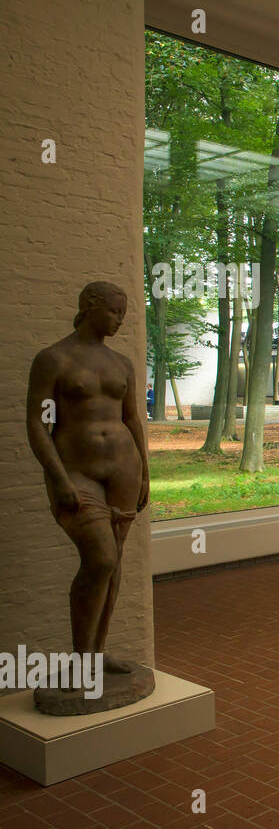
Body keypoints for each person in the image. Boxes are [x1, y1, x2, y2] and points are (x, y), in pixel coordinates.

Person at [26, 281, 149, 675]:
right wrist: (58, 478)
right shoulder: (53, 360)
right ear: (90, 306)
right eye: (113, 312)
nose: (118, 321)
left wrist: (144, 470)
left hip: (123, 468)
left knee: (114, 564)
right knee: (100, 558)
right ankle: (81, 661)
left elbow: (131, 418)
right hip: (76, 472)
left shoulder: (121, 364)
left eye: (123, 315)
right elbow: (37, 423)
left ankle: (96, 654)